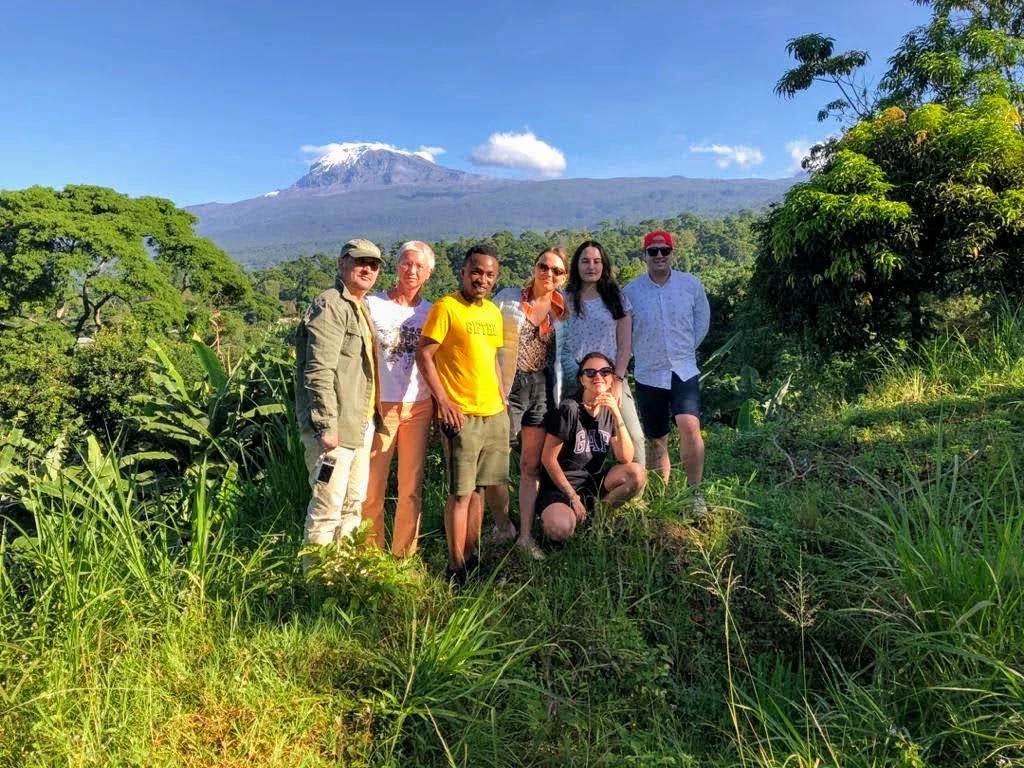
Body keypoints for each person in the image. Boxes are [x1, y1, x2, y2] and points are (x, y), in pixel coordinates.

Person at [416, 243, 513, 585]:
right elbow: (424, 355)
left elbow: (492, 361)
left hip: (493, 413)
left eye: (489, 275)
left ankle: (472, 558)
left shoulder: (492, 313)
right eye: (476, 272)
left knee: (480, 491)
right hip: (462, 416)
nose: (482, 279)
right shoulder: (446, 307)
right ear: (463, 272)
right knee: (460, 493)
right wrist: (443, 401)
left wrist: (502, 399)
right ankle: (455, 567)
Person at [294, 238, 384, 564]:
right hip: (334, 427)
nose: (367, 269)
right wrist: (325, 425)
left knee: (352, 505)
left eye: (373, 265)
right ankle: (316, 579)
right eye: (360, 262)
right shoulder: (330, 305)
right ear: (342, 263)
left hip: (358, 423)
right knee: (327, 507)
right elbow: (318, 370)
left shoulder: (361, 307)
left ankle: (342, 573)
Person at [623, 230, 710, 509]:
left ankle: (695, 493)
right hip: (649, 372)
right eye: (653, 251)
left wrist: (685, 349)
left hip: (683, 368)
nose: (659, 256)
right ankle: (662, 498)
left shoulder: (690, 285)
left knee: (689, 425)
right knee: (656, 437)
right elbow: (625, 331)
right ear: (645, 255)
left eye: (664, 250)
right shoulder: (631, 292)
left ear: (672, 253)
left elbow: (702, 321)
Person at [493, 246, 569, 561]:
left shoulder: (561, 309)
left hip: (541, 389)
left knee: (530, 465)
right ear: (534, 267)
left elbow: (562, 357)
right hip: (508, 386)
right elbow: (488, 342)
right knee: (497, 461)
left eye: (556, 270)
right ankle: (502, 524)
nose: (548, 274)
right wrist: (494, 386)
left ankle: (525, 535)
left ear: (563, 277)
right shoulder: (508, 299)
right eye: (544, 266)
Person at [363, 240, 436, 557]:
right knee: (371, 486)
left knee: (411, 487)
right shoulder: (372, 305)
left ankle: (403, 554)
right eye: (406, 263)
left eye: (419, 266)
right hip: (380, 406)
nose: (412, 270)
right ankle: (368, 553)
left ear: (429, 273)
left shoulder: (431, 312)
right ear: (396, 267)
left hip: (419, 406)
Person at [537, 352, 647, 542]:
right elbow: (548, 459)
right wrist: (572, 497)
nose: (598, 376)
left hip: (591, 484)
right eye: (590, 372)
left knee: (636, 473)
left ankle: (598, 518)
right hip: (560, 487)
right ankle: (564, 514)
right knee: (560, 529)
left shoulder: (609, 411)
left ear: (612, 378)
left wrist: (617, 414)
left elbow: (626, 458)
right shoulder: (569, 409)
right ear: (582, 380)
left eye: (605, 372)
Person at [560, 240, 646, 466]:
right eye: (585, 261)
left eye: (597, 261)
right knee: (572, 440)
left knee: (634, 437)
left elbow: (625, 344)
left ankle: (636, 484)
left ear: (604, 265)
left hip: (610, 377)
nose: (591, 266)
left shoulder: (617, 298)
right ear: (576, 265)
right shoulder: (564, 299)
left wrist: (617, 380)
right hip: (574, 378)